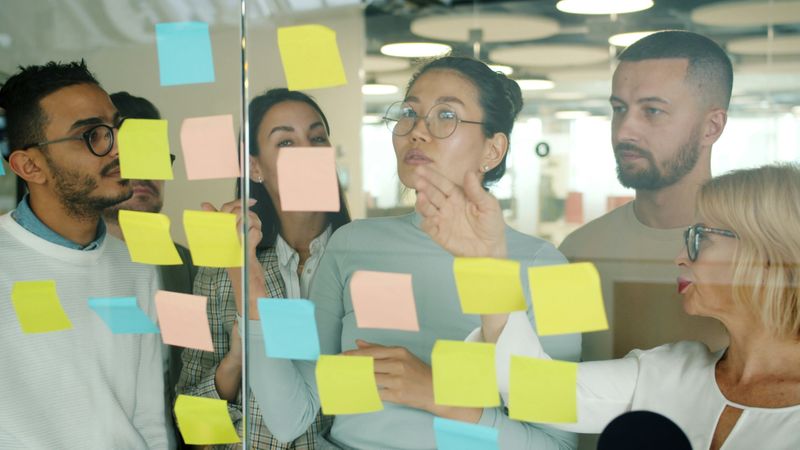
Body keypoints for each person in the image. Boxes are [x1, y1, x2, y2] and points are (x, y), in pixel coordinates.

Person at [242, 57, 581, 449]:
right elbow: (291, 417)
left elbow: (556, 444)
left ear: (493, 149)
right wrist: (250, 285)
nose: (418, 131)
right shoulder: (352, 243)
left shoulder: (552, 268)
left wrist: (434, 392)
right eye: (410, 113)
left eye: (446, 115)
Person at [415, 163, 800, 450]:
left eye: (701, 238)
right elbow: (529, 388)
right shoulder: (669, 373)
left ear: (768, 254)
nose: (681, 257)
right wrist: (487, 264)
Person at [0, 61, 170, 448]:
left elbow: (149, 418)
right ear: (29, 165)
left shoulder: (136, 266)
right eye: (92, 135)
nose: (119, 148)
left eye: (116, 129)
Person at [176, 88, 350, 449]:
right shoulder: (222, 272)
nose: (307, 152)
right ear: (254, 167)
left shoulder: (361, 259)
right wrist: (235, 362)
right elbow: (191, 422)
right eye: (286, 143)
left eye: (317, 138)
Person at [558, 31, 733, 361]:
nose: (624, 131)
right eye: (619, 109)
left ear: (712, 127)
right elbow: (556, 382)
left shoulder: (763, 253)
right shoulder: (576, 252)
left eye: (652, 111)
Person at [103, 91, 197, 448]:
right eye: (129, 155)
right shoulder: (70, 264)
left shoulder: (186, 265)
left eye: (154, 155)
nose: (145, 171)